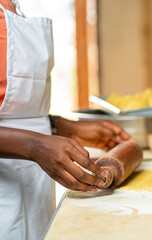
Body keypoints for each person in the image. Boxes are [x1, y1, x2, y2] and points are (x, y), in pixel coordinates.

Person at [0, 0, 136, 239]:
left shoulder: (13, 7)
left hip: (35, 191)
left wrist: (61, 127)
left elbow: (15, 112)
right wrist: (33, 144)